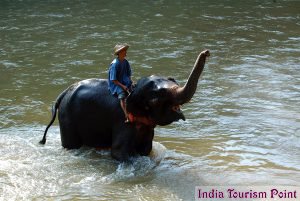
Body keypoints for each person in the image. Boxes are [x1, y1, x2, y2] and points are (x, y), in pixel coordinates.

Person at [108, 44, 133, 123]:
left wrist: (130, 81)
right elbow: (114, 80)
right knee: (122, 97)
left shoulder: (126, 62)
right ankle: (126, 116)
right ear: (120, 52)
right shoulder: (115, 64)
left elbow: (129, 74)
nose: (126, 52)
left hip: (125, 81)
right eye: (124, 51)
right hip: (117, 84)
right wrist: (123, 87)